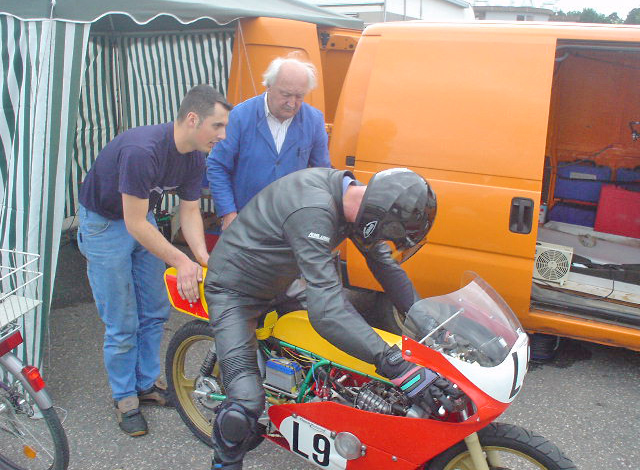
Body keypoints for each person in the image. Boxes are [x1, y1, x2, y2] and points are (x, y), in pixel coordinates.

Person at [203, 167, 461, 469]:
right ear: (379, 218)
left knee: (334, 358)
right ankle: (224, 462)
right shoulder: (313, 209)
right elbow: (328, 312)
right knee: (245, 403)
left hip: (282, 282)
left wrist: (429, 324)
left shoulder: (357, 204)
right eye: (390, 234)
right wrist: (399, 368)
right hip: (235, 291)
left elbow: (386, 267)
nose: (386, 240)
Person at [77, 85, 232, 437]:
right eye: (217, 126)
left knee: (155, 310)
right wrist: (181, 260)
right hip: (105, 224)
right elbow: (133, 224)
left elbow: (190, 211)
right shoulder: (141, 151)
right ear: (193, 119)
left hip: (140, 219)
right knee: (121, 320)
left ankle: (146, 385)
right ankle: (124, 398)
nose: (223, 135)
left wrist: (202, 258)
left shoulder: (194, 154)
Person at [206, 56, 331, 230]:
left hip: (291, 222)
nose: (292, 103)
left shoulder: (314, 120)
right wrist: (228, 213)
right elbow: (217, 165)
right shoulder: (239, 117)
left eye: (299, 96)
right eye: (286, 94)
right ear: (269, 86)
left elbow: (323, 173)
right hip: (245, 220)